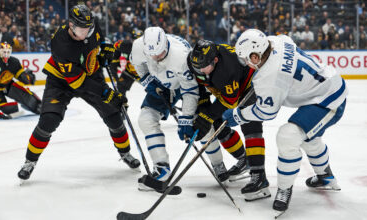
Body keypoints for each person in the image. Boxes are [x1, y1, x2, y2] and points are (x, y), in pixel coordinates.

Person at [223, 29, 347, 214]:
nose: (246, 63)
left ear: (256, 57)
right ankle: (326, 177)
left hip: (328, 99)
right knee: (309, 138)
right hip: (326, 86)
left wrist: (237, 115)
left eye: (247, 59)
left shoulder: (271, 78)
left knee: (288, 136)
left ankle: (284, 189)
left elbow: (266, 112)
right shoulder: (276, 41)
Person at [17, 4, 140, 181]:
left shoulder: (91, 25)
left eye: (89, 27)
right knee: (49, 120)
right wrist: (106, 93)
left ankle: (125, 153)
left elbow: (99, 42)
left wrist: (105, 51)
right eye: (83, 28)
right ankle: (30, 161)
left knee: (114, 116)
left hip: (91, 73)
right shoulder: (60, 43)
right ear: (72, 26)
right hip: (61, 81)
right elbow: (78, 82)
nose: (88, 31)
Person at [130, 27, 229, 191]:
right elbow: (137, 64)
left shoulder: (181, 57)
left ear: (166, 46)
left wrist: (187, 119)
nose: (155, 58)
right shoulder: (139, 46)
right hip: (161, 84)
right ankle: (161, 167)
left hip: (186, 86)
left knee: (202, 126)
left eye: (160, 54)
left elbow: (190, 90)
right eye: (151, 55)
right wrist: (148, 81)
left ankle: (218, 164)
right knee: (146, 119)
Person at [187, 40, 270, 201]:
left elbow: (229, 101)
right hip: (230, 88)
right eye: (197, 67)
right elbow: (199, 82)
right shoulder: (199, 61)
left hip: (251, 86)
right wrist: (204, 106)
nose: (200, 70)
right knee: (217, 123)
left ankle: (259, 177)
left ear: (215, 60)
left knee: (250, 123)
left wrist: (207, 115)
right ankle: (244, 159)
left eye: (203, 67)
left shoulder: (227, 70)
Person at [0, 42, 41, 118]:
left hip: (8, 86)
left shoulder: (14, 62)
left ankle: (38, 106)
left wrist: (28, 78)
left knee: (27, 96)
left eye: (8, 51)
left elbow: (21, 76)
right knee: (9, 108)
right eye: (4, 51)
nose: (6, 54)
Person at [109, 29, 143, 97]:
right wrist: (114, 60)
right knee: (120, 87)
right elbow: (115, 46)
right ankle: (122, 105)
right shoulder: (125, 45)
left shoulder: (149, 49)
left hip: (144, 74)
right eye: (135, 40)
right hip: (129, 71)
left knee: (154, 92)